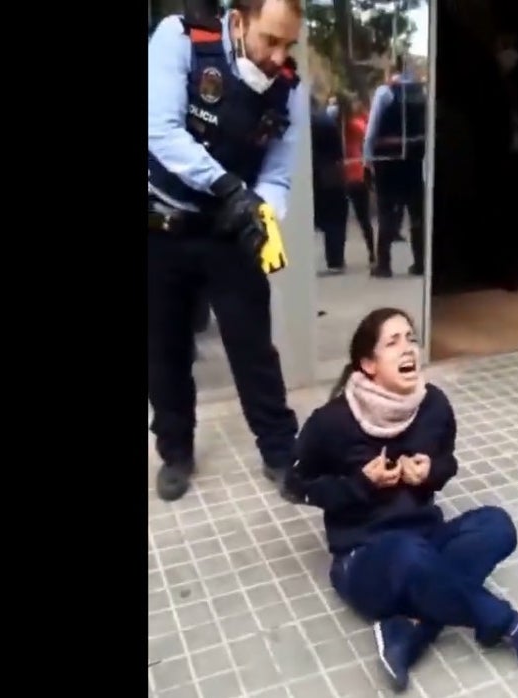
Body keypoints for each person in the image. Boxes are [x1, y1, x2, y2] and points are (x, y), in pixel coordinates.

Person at [286, 308, 518, 693]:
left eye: (411, 338)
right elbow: (295, 485)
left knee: (496, 525)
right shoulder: (332, 421)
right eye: (393, 342)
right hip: (363, 560)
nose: (408, 349)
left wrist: (431, 470)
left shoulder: (434, 405)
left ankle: (409, 631)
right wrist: (359, 485)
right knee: (406, 553)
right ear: (368, 364)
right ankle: (509, 625)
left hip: (424, 542)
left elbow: (447, 460)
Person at [147, 0, 307, 501]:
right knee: (164, 350)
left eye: (289, 44)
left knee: (254, 349)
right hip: (162, 228)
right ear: (238, 22)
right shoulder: (180, 38)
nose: (278, 56)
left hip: (228, 234)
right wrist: (229, 186)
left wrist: (262, 212)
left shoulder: (290, 90)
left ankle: (282, 453)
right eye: (270, 39)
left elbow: (278, 175)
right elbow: (160, 131)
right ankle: (175, 451)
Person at [363, 59, 426, 278]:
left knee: (387, 211)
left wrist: (367, 159)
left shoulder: (385, 92)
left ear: (391, 71)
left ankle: (384, 264)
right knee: (417, 213)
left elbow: (371, 130)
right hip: (415, 159)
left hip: (387, 160)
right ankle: (420, 262)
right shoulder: (421, 93)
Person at [311, 101, 348, 273]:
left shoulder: (295, 122)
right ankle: (335, 260)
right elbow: (338, 152)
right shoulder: (326, 121)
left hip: (306, 174)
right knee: (334, 219)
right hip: (330, 174)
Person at [340, 96, 376, 266]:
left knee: (342, 218)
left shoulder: (343, 125)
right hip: (356, 173)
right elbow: (368, 133)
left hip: (346, 174)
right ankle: (372, 251)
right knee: (364, 218)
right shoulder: (354, 124)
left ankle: (337, 256)